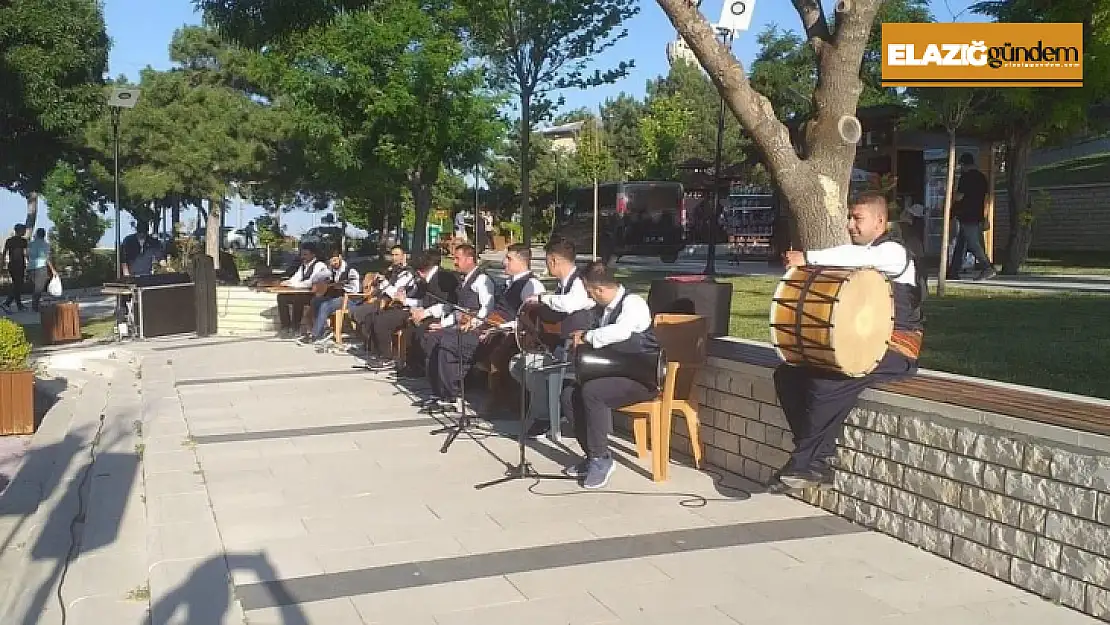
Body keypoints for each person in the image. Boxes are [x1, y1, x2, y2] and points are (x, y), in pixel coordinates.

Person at [770, 192, 924, 492]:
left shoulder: (892, 251)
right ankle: (814, 461)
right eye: (849, 217)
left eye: (858, 218)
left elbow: (860, 258)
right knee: (788, 373)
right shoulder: (861, 253)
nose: (851, 224)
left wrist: (809, 257)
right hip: (867, 343)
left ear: (880, 221)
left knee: (832, 380)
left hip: (898, 348)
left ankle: (806, 462)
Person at [560, 261, 659, 490]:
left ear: (599, 290)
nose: (590, 297)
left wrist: (587, 336)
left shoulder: (633, 304)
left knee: (594, 392)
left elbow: (621, 332)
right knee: (568, 393)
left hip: (642, 378)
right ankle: (592, 455)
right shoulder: (604, 310)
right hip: (615, 373)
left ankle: (601, 459)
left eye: (589, 293)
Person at [516, 237, 595, 438]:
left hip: (579, 349)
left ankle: (547, 418)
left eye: (547, 261)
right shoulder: (563, 284)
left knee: (532, 367)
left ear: (553, 261)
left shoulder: (580, 281)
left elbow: (569, 304)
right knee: (520, 364)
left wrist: (543, 298)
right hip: (562, 345)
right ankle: (548, 413)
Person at [411, 244, 494, 410]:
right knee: (431, 337)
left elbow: (487, 308)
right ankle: (438, 392)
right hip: (460, 325)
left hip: (475, 329)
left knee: (447, 342)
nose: (454, 262)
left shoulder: (482, 280)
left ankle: (452, 394)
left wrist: (474, 322)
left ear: (470, 259)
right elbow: (457, 310)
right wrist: (441, 324)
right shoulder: (463, 281)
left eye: (457, 258)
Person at [393, 250, 459, 377]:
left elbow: (447, 304)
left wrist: (425, 313)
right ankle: (413, 365)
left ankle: (421, 367)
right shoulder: (427, 280)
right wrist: (412, 305)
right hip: (430, 313)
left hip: (444, 316)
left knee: (421, 330)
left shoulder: (442, 278)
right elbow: (426, 301)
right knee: (411, 325)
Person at [948, 153, 996, 281]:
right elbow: (986, 198)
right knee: (961, 244)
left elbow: (960, 196)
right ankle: (953, 271)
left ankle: (987, 267)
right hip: (977, 213)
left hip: (966, 214)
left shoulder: (965, 177)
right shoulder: (981, 177)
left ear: (963, 164)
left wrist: (950, 200)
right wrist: (985, 216)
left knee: (973, 243)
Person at [299, 248, 361, 347]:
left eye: (335, 260)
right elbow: (316, 278)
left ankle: (315, 335)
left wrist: (343, 287)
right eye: (331, 261)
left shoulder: (350, 270)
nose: (333, 263)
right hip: (336, 298)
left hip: (350, 299)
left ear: (340, 257)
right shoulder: (331, 269)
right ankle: (323, 329)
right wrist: (326, 272)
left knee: (325, 305)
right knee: (316, 301)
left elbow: (357, 289)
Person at [277, 243, 329, 335]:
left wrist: (294, 285)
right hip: (303, 293)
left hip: (315, 295)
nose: (303, 257)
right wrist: (288, 282)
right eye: (302, 254)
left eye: (305, 254)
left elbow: (311, 282)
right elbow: (296, 278)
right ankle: (285, 326)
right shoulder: (303, 266)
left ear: (313, 255)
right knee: (281, 297)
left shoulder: (320, 265)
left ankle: (295, 328)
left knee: (298, 299)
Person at [27, 228, 56, 312]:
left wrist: (30, 262)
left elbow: (27, 254)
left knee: (35, 287)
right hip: (41, 267)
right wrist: (52, 269)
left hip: (31, 267)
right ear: (44, 235)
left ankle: (35, 304)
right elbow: (46, 258)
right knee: (39, 287)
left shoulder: (31, 244)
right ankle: (35, 306)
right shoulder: (45, 245)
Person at [2, 224, 29, 313]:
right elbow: (26, 254)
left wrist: (2, 264)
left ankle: (19, 305)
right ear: (20, 230)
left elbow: (4, 253)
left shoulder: (9, 240)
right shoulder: (23, 241)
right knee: (18, 285)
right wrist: (29, 263)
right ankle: (7, 303)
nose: (25, 232)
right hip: (19, 265)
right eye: (24, 230)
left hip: (12, 265)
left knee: (17, 284)